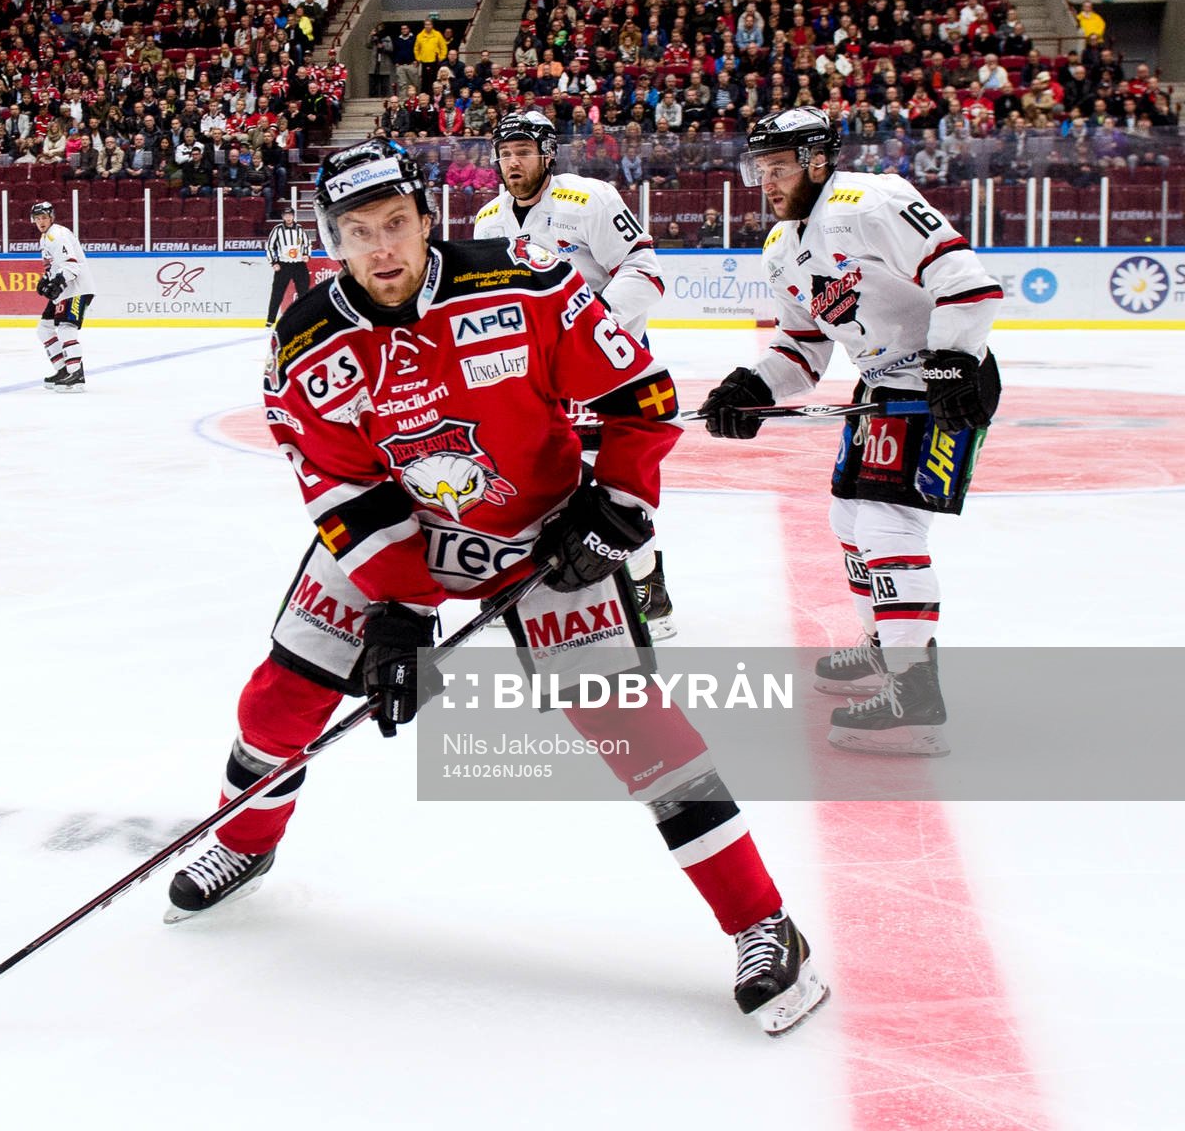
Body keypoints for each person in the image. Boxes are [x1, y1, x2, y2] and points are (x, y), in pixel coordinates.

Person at [165, 140, 829, 1037]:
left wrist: (617, 507)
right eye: (358, 234)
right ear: (333, 242)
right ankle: (244, 843)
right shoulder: (308, 341)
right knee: (281, 698)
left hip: (539, 533)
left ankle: (763, 924)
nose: (383, 249)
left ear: (427, 217)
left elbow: (640, 395)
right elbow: (342, 491)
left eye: (396, 224)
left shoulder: (526, 282)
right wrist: (400, 614)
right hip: (395, 538)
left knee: (639, 734)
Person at [699, 107, 1002, 756]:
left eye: (779, 167)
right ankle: (884, 648)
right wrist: (751, 390)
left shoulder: (872, 201)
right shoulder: (782, 250)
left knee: (890, 528)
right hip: (882, 391)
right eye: (762, 169)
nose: (768, 181)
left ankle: (916, 694)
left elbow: (966, 281)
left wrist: (953, 364)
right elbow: (802, 351)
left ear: (816, 160)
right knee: (848, 520)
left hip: (941, 385)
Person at [472, 111, 679, 639]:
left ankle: (648, 587)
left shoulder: (589, 199)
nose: (512, 162)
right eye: (504, 153)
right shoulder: (489, 220)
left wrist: (588, 330)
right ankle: (531, 587)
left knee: (612, 483)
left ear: (547, 153)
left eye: (523, 151)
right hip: (533, 375)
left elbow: (644, 271)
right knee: (534, 477)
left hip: (603, 365)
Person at [30, 201, 94, 392]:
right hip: (66, 289)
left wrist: (57, 283)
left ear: (51, 218)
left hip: (77, 288)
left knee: (66, 328)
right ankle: (64, 369)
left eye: (44, 217)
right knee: (44, 329)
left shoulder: (57, 234)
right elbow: (55, 265)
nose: (41, 221)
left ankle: (76, 375)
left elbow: (72, 266)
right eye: (37, 218)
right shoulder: (45, 238)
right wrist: (46, 279)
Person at [264, 205, 314, 327]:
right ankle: (270, 321)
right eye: (286, 215)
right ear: (283, 217)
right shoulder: (277, 229)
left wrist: (306, 255)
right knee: (277, 294)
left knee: (304, 293)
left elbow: (307, 243)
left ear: (293, 216)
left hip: (299, 265)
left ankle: (305, 319)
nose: (288, 217)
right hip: (283, 265)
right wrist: (274, 262)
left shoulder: (300, 229)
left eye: (290, 215)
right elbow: (269, 246)